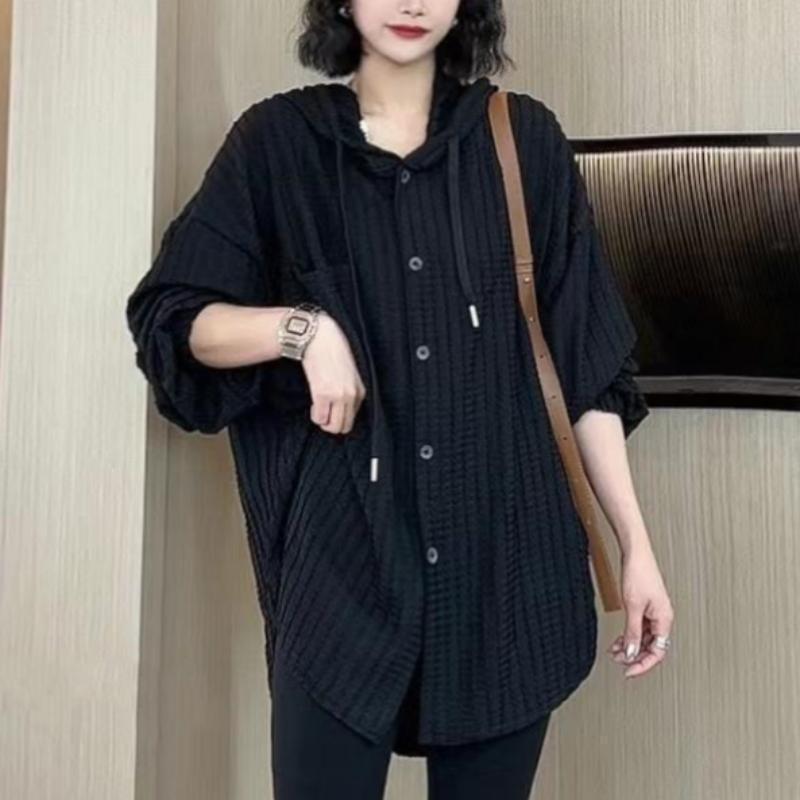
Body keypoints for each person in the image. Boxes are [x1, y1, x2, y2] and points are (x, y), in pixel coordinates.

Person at [125, 0, 675, 797]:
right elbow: (175, 323)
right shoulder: (276, 145)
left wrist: (636, 548)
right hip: (339, 576)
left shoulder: (525, 141)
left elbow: (585, 370)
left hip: (506, 571)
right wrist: (302, 330)